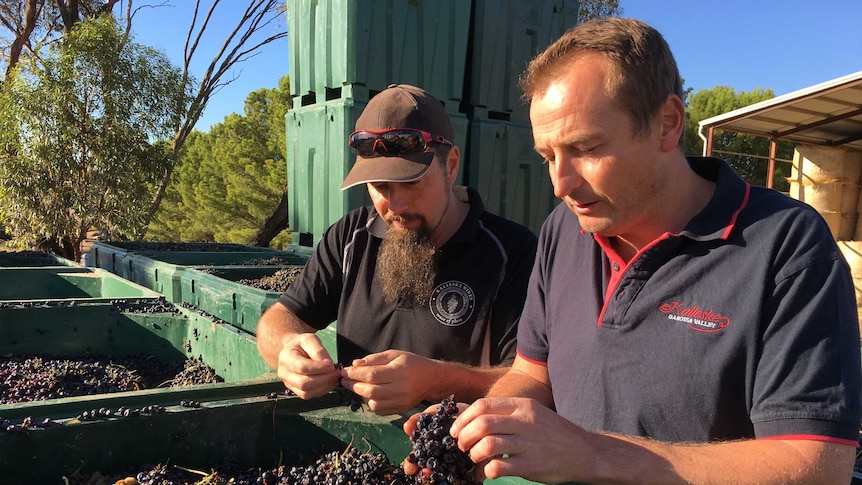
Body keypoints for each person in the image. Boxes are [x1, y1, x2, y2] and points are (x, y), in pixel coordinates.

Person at [423, 18, 862, 484]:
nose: (560, 184)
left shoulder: (785, 245)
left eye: (587, 147)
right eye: (548, 156)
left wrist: (594, 454)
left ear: (668, 124)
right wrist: (475, 429)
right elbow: (535, 375)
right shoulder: (562, 231)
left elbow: (817, 466)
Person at [256, 83, 538, 416]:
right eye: (379, 186)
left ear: (450, 166)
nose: (395, 204)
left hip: (455, 453)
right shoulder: (349, 237)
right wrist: (287, 349)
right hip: (357, 450)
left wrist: (436, 380)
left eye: (411, 182)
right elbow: (280, 319)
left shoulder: (512, 252)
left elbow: (532, 382)